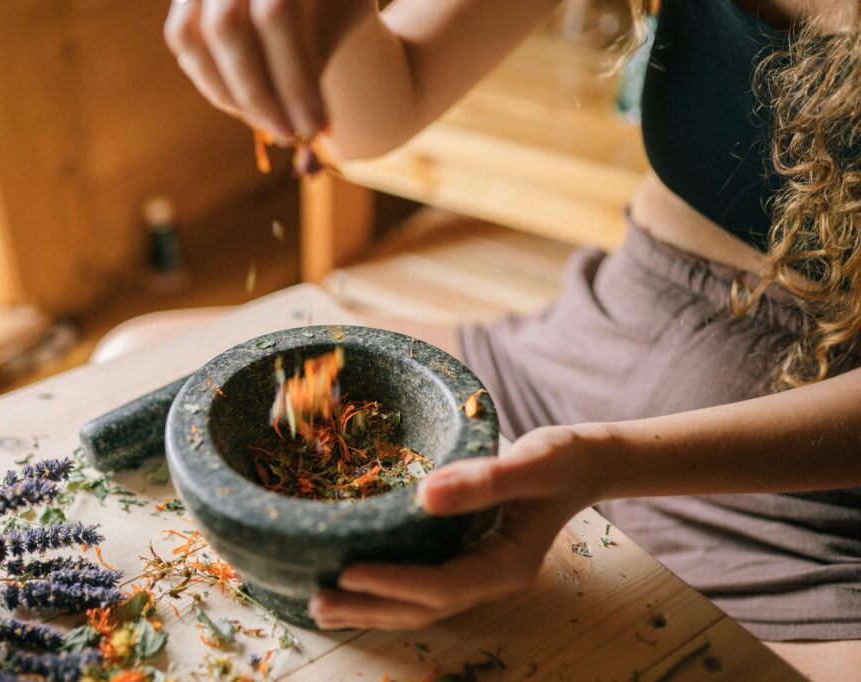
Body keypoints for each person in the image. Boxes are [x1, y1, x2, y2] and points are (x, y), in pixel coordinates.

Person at [163, 0, 861, 677]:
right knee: (135, 354)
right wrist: (341, 19)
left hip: (792, 487)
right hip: (572, 354)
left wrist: (609, 462)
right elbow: (385, 101)